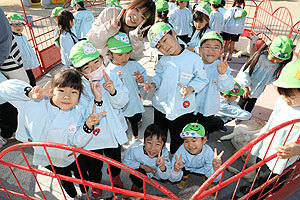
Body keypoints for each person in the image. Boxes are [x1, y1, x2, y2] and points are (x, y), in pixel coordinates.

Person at [0, 69, 105, 200]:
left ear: (78, 97)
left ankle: (85, 194)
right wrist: (29, 92)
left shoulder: (78, 113)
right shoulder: (34, 102)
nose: (67, 96)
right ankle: (74, 196)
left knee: (82, 175)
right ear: (51, 91)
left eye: (74, 92)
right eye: (61, 91)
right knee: (64, 179)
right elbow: (3, 87)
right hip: (48, 157)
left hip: (72, 155)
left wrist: (88, 126)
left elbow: (78, 141)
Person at [69, 40, 129, 199]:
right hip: (92, 136)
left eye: (97, 62)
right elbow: (81, 112)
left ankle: (114, 175)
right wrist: (97, 99)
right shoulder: (78, 86)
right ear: (80, 72)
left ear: (102, 59)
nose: (94, 68)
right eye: (87, 67)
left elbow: (122, 103)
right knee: (94, 164)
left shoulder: (112, 76)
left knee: (114, 158)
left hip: (111, 130)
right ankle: (95, 182)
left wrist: (114, 91)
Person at [143, 22, 208, 154]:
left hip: (182, 109)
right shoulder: (163, 60)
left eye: (165, 40)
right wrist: (153, 84)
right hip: (161, 106)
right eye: (159, 46)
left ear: (174, 33)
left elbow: (202, 79)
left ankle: (177, 166)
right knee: (159, 137)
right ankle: (160, 162)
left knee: (178, 139)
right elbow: (159, 76)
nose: (164, 47)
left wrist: (190, 88)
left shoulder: (194, 59)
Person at [245, 60, 300, 199]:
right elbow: (273, 121)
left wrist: (297, 149)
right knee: (260, 171)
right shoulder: (282, 101)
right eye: (282, 93)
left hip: (284, 158)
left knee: (272, 183)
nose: (286, 99)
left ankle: (259, 195)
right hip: (267, 147)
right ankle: (253, 190)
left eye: (291, 97)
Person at [235, 36, 294, 113]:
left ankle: (245, 118)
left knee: (251, 104)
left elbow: (272, 76)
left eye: (280, 59)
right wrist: (245, 86)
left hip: (257, 89)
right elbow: (245, 72)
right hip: (247, 86)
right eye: (273, 58)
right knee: (242, 102)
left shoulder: (277, 65)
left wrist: (265, 84)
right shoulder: (259, 59)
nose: (275, 61)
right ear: (269, 49)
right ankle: (235, 115)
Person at [87, 0, 156, 64]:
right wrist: (109, 28)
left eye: (142, 17)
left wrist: (135, 39)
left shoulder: (139, 31)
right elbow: (92, 42)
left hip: (120, 72)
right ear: (131, 6)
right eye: (137, 10)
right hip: (99, 66)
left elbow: (134, 58)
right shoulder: (110, 13)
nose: (135, 17)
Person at [106, 32, 146, 139]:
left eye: (127, 53)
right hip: (119, 105)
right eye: (120, 54)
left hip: (133, 101)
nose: (125, 57)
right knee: (122, 123)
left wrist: (141, 79)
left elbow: (143, 77)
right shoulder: (108, 71)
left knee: (134, 119)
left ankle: (136, 137)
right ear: (110, 53)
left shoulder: (134, 65)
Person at [194, 31, 234, 135]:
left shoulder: (222, 66)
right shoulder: (194, 63)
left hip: (209, 105)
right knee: (190, 125)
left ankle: (216, 125)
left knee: (204, 126)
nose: (211, 50)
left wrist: (222, 74)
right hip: (191, 104)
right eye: (207, 46)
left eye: (216, 47)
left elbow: (226, 88)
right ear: (200, 49)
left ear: (221, 51)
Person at [0, 8, 29, 148]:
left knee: (13, 97)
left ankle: (13, 131)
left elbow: (4, 39)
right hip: (6, 61)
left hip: (8, 62)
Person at [169, 123, 224, 189]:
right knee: (180, 168)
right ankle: (185, 175)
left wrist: (215, 169)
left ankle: (207, 178)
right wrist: (176, 170)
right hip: (186, 167)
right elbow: (172, 179)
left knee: (210, 174)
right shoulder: (180, 151)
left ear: (204, 140)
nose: (190, 145)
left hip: (203, 168)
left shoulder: (208, 152)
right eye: (186, 141)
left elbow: (216, 179)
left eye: (194, 140)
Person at [123, 124, 171, 192]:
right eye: (149, 142)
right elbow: (125, 163)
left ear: (163, 146)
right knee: (137, 176)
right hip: (142, 170)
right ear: (144, 141)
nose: (152, 148)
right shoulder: (135, 150)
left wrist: (162, 167)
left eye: (157, 144)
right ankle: (137, 185)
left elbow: (167, 175)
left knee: (165, 174)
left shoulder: (164, 154)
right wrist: (142, 166)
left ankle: (157, 177)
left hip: (156, 173)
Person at [7, 13, 39, 87]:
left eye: (20, 24)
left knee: (32, 80)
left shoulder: (23, 36)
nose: (18, 27)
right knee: (26, 82)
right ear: (9, 26)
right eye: (14, 25)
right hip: (19, 66)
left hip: (26, 64)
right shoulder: (11, 38)